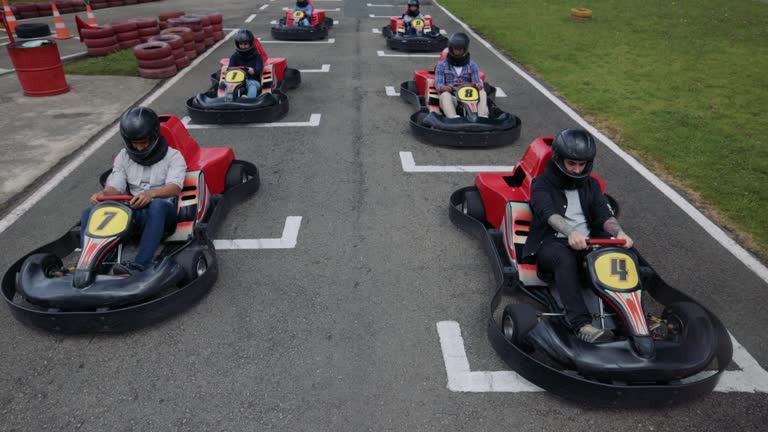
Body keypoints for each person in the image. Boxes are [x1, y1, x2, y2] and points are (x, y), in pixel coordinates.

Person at [522, 128, 634, 343]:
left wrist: (620, 233)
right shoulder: (541, 184)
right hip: (551, 244)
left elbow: (603, 214)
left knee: (628, 255)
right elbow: (548, 213)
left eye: (581, 164)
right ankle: (581, 324)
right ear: (558, 160)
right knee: (564, 258)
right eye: (571, 164)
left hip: (590, 245)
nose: (576, 169)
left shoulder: (591, 185)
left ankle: (630, 321)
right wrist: (571, 232)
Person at [81, 107, 187, 273]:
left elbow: (175, 187)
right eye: (134, 144)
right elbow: (115, 188)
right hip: (134, 211)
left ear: (154, 137)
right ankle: (90, 265)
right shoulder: (123, 157)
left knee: (156, 206)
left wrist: (150, 195)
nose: (138, 148)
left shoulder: (173, 157)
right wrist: (101, 195)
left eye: (143, 143)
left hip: (165, 214)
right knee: (89, 212)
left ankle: (140, 265)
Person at [434, 32, 489, 118]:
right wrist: (445, 88)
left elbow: (477, 81)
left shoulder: (472, 65)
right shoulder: (442, 66)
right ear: (451, 49)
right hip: (453, 98)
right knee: (445, 95)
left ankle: (481, 117)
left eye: (460, 49)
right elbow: (438, 85)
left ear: (465, 49)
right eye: (455, 49)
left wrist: (478, 85)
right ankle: (453, 118)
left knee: (482, 93)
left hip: (471, 98)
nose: (457, 51)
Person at [229, 29, 263, 99]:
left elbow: (259, 69)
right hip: (237, 82)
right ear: (237, 44)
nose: (243, 46)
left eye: (245, 44)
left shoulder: (257, 56)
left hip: (252, 81)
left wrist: (254, 71)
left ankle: (249, 100)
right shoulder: (234, 57)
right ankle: (227, 101)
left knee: (252, 85)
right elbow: (230, 69)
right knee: (227, 86)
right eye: (241, 44)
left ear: (250, 43)